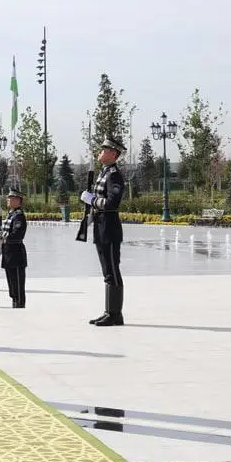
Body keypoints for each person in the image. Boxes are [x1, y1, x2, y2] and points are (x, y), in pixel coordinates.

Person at [81, 136, 126, 326]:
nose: (100, 152)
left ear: (113, 154)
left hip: (109, 227)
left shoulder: (114, 175)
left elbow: (111, 203)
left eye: (104, 150)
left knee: (112, 270)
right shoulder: (104, 173)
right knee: (107, 271)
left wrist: (92, 200)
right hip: (101, 226)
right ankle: (109, 311)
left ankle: (115, 314)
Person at [0, 188, 28, 308]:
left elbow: (17, 235)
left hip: (16, 254)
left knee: (17, 284)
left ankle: (19, 305)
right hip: (8, 253)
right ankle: (15, 304)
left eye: (10, 198)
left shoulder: (19, 216)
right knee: (11, 284)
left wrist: (2, 235)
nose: (8, 200)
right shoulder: (11, 215)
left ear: (17, 200)